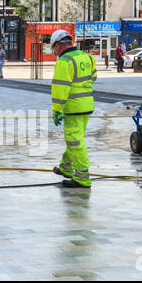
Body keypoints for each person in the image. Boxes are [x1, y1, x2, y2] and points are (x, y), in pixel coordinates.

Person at [50, 29, 96, 188]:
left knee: (75, 142)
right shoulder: (87, 57)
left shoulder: (64, 61)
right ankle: (66, 168)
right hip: (87, 105)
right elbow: (93, 77)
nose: (55, 52)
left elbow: (60, 88)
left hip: (73, 107)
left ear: (58, 45)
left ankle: (82, 177)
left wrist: (56, 110)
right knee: (76, 138)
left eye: (54, 48)